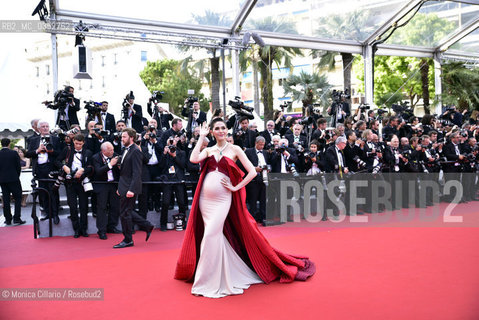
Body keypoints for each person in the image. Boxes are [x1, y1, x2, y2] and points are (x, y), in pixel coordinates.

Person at [175, 119, 315, 298]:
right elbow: (193, 159)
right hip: (205, 199)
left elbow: (252, 171)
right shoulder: (208, 149)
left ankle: (206, 280)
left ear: (227, 131)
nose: (220, 131)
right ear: (212, 132)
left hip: (223, 199)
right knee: (213, 236)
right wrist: (201, 138)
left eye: (223, 128)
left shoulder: (235, 149)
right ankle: (216, 273)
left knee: (210, 234)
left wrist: (236, 187)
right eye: (216, 129)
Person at [113, 128, 154, 249]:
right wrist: (120, 187)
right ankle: (147, 226)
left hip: (130, 187)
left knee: (125, 213)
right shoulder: (125, 149)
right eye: (121, 137)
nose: (122, 139)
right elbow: (125, 172)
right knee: (127, 212)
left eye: (124, 137)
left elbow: (137, 172)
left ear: (131, 138)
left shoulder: (136, 150)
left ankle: (128, 239)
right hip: (124, 186)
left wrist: (132, 189)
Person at [56, 134, 93, 238]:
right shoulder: (67, 150)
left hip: (82, 182)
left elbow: (91, 167)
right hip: (70, 182)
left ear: (83, 143)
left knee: (83, 207)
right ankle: (76, 229)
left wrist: (83, 170)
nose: (77, 146)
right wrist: (64, 167)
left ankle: (84, 229)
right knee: (72, 207)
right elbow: (57, 161)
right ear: (73, 142)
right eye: (76, 143)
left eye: (80, 144)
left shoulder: (88, 152)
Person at [92, 142, 121, 239]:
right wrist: (110, 164)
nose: (113, 151)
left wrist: (119, 166)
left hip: (113, 184)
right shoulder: (96, 157)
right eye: (110, 150)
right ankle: (102, 230)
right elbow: (98, 171)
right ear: (104, 151)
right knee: (102, 208)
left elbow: (120, 170)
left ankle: (112, 227)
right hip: (102, 185)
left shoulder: (115, 156)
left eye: (113, 149)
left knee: (115, 206)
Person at [0, 138, 25, 225]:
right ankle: (17, 218)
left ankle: (8, 219)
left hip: (2, 180)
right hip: (13, 178)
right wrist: (16, 175)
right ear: (9, 144)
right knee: (18, 198)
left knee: (6, 199)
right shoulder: (14, 153)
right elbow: (18, 166)